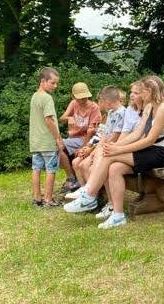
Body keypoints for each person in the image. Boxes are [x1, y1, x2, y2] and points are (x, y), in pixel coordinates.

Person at [63, 75, 164, 229]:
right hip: (151, 150)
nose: (139, 95)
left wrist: (118, 149)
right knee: (114, 168)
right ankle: (117, 214)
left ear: (151, 91)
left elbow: (149, 140)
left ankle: (89, 195)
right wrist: (116, 146)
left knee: (109, 156)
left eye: (142, 92)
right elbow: (137, 134)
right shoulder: (149, 107)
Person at [72, 86, 127, 188]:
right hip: (102, 146)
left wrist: (93, 150)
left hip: (111, 148)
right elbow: (104, 134)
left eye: (100, 101)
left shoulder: (122, 113)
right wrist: (93, 149)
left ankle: (91, 192)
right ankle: (87, 191)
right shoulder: (111, 112)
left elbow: (114, 137)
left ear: (106, 101)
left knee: (85, 165)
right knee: (80, 163)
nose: (98, 103)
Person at [29, 67, 65, 207]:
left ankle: (37, 198)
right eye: (52, 83)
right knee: (51, 170)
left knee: (36, 169)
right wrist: (58, 138)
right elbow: (49, 119)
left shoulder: (35, 96)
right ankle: (48, 200)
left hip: (36, 142)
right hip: (48, 142)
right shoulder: (47, 98)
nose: (55, 86)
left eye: (56, 83)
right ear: (43, 81)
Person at [58, 82, 102, 191]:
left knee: (58, 144)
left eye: (85, 97)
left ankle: (73, 179)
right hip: (73, 138)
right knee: (58, 146)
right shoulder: (74, 104)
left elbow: (91, 132)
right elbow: (61, 118)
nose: (83, 100)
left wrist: (83, 147)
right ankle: (72, 177)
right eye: (80, 98)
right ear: (73, 97)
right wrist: (69, 118)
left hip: (86, 139)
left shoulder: (94, 108)